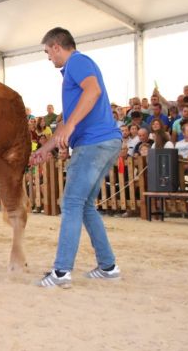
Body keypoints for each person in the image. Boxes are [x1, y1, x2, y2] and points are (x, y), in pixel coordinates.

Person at [31, 27, 122, 289]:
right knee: (85, 206)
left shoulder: (77, 62)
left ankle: (61, 273)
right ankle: (108, 266)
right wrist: (44, 150)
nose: (49, 58)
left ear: (57, 47)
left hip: (93, 143)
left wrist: (70, 127)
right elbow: (67, 122)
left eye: (48, 52)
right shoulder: (75, 69)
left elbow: (93, 91)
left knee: (70, 203)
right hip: (106, 141)